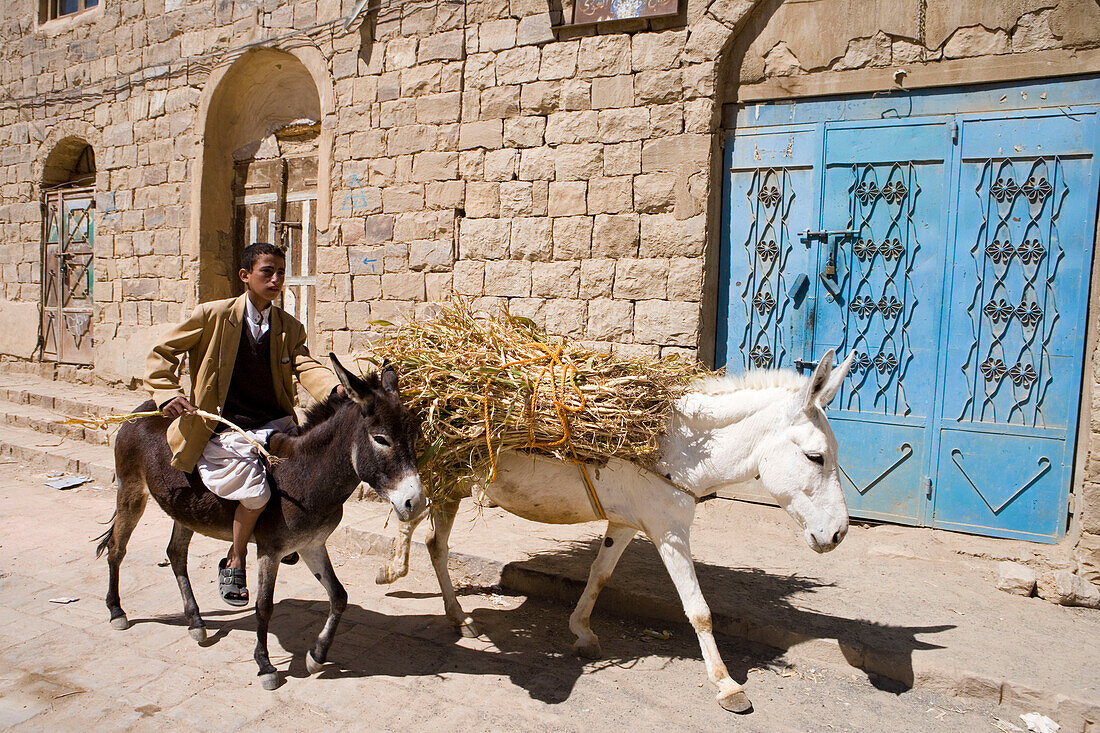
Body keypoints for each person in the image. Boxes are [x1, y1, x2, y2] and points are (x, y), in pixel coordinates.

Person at [144, 242, 341, 606]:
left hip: (275, 422)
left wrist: (335, 390)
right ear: (245, 276)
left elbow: (305, 366)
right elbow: (162, 353)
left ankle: (284, 536)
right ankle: (235, 559)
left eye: (281, 272)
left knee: (308, 473)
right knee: (255, 492)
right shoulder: (212, 316)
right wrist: (167, 392)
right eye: (268, 271)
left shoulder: (289, 326)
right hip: (225, 426)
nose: (276, 279)